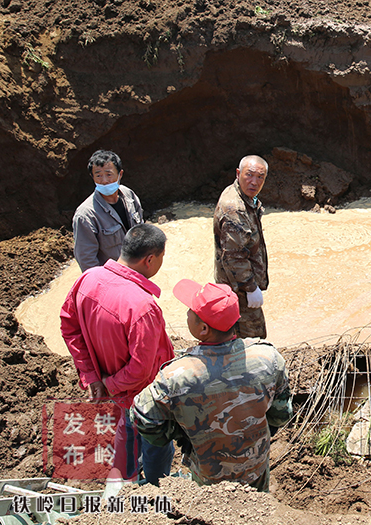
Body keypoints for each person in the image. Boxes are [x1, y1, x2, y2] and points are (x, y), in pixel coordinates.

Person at [131, 279, 293, 491]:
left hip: (208, 478)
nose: (187, 313)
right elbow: (282, 414)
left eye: (190, 310)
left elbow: (142, 419)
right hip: (255, 470)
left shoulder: (175, 376)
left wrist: (181, 433)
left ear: (203, 328)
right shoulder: (268, 358)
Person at [60, 223, 175, 484]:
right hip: (145, 397)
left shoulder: (88, 279)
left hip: (116, 395)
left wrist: (93, 378)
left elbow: (69, 326)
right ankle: (157, 489)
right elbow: (141, 369)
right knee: (156, 445)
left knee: (125, 434)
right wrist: (110, 386)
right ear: (150, 260)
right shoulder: (142, 307)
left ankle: (123, 484)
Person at [214, 155, 270, 338]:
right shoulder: (234, 208)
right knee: (253, 340)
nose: (254, 182)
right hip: (238, 290)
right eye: (249, 175)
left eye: (260, 177)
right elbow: (234, 256)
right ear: (238, 174)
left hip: (240, 287)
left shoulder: (246, 198)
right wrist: (251, 288)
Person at [72, 150, 143, 272]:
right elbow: (86, 260)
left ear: (120, 174)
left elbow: (142, 231)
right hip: (113, 279)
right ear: (92, 177)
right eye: (98, 175)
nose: (104, 180)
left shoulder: (129, 195)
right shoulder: (86, 215)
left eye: (109, 174)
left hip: (137, 271)